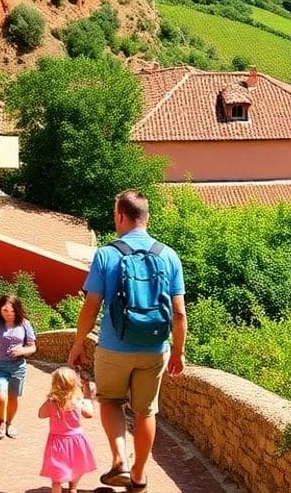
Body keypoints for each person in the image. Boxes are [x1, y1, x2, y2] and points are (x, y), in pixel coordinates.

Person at [67, 191, 186, 493]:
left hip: (113, 346)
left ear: (121, 215)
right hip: (155, 348)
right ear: (146, 217)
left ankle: (119, 459)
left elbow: (91, 306)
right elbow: (180, 313)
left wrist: (78, 343)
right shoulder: (168, 255)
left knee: (110, 401)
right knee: (146, 411)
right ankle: (139, 474)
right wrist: (179, 352)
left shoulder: (107, 254)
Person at [0, 293, 37, 439]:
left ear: (17, 310)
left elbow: (33, 347)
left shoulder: (25, 324)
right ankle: (0, 421)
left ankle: (9, 423)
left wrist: (22, 350)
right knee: (0, 396)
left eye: (12, 311)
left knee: (13, 397)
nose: (8, 314)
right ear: (0, 309)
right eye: (5, 310)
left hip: (18, 366)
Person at [38, 366, 98, 493]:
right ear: (74, 384)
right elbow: (89, 414)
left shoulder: (52, 402)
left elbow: (41, 414)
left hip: (57, 442)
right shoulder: (77, 401)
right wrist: (86, 398)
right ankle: (73, 488)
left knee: (56, 476)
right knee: (76, 466)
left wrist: (49, 400)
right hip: (76, 440)